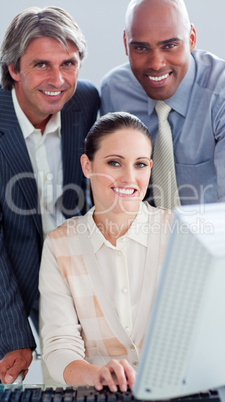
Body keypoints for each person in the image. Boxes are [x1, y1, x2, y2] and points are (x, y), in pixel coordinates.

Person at [0, 6, 100, 383]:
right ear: (13, 69)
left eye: (69, 63)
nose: (58, 79)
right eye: (41, 65)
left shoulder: (87, 102)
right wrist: (11, 333)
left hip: (79, 276)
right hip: (13, 276)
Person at [39, 112, 173, 391]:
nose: (129, 178)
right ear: (87, 165)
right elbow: (58, 345)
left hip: (173, 391)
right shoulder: (60, 244)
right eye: (114, 163)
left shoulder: (178, 234)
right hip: (97, 396)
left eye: (140, 165)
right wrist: (95, 374)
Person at [101, 0, 225, 208]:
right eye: (141, 48)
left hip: (213, 235)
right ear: (126, 44)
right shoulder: (115, 91)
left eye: (170, 45)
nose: (156, 63)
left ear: (191, 38)